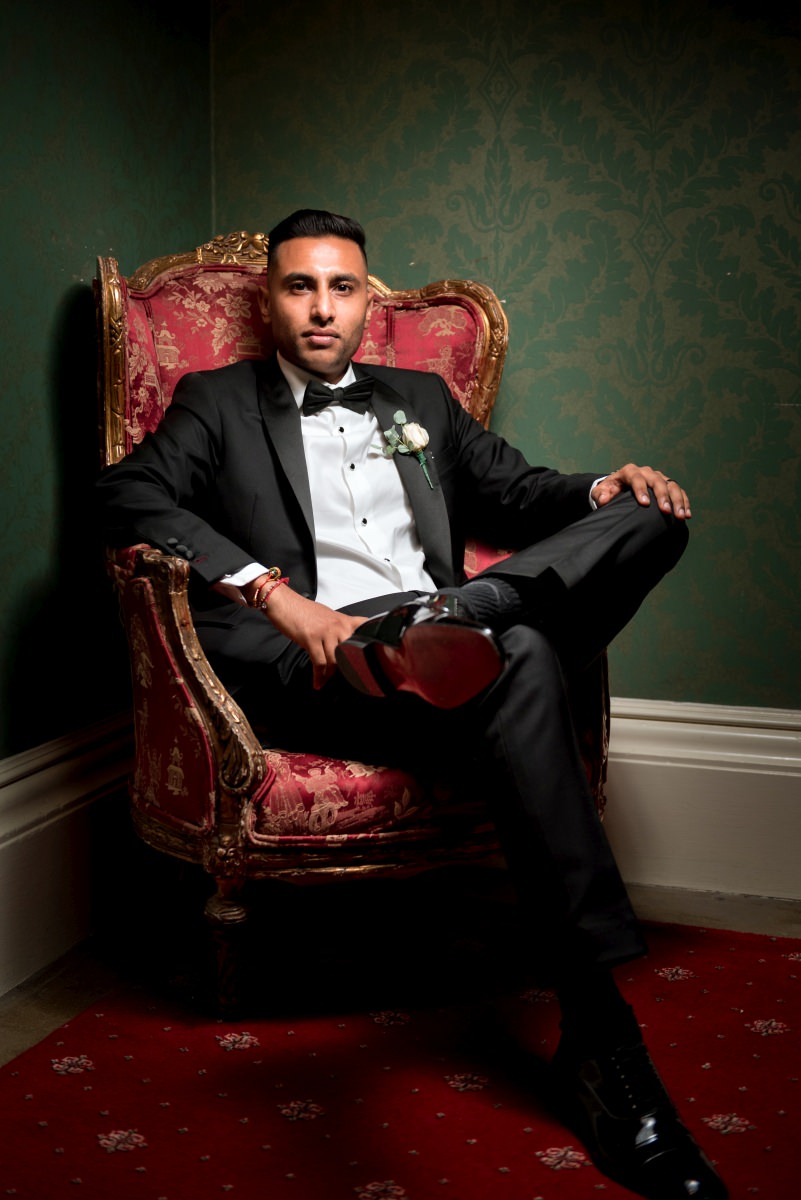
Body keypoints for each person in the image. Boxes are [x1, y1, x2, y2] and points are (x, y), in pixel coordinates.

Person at [96, 209, 727, 1200]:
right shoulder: (215, 401)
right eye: (299, 286)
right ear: (270, 302)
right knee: (522, 655)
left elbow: (522, 492)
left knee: (649, 517)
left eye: (341, 287)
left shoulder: (421, 399)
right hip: (326, 660)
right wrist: (273, 594)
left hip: (446, 637)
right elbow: (124, 494)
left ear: (366, 303)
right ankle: (603, 1038)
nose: (321, 307)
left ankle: (462, 613)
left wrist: (603, 488)